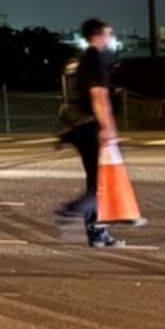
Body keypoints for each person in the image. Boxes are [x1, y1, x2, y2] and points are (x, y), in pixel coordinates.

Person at [57, 19, 125, 248]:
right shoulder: (96, 58)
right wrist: (108, 127)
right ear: (98, 35)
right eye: (108, 32)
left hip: (84, 127)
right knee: (100, 184)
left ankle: (97, 232)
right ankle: (72, 212)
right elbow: (98, 95)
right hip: (92, 128)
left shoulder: (88, 58)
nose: (110, 36)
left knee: (98, 183)